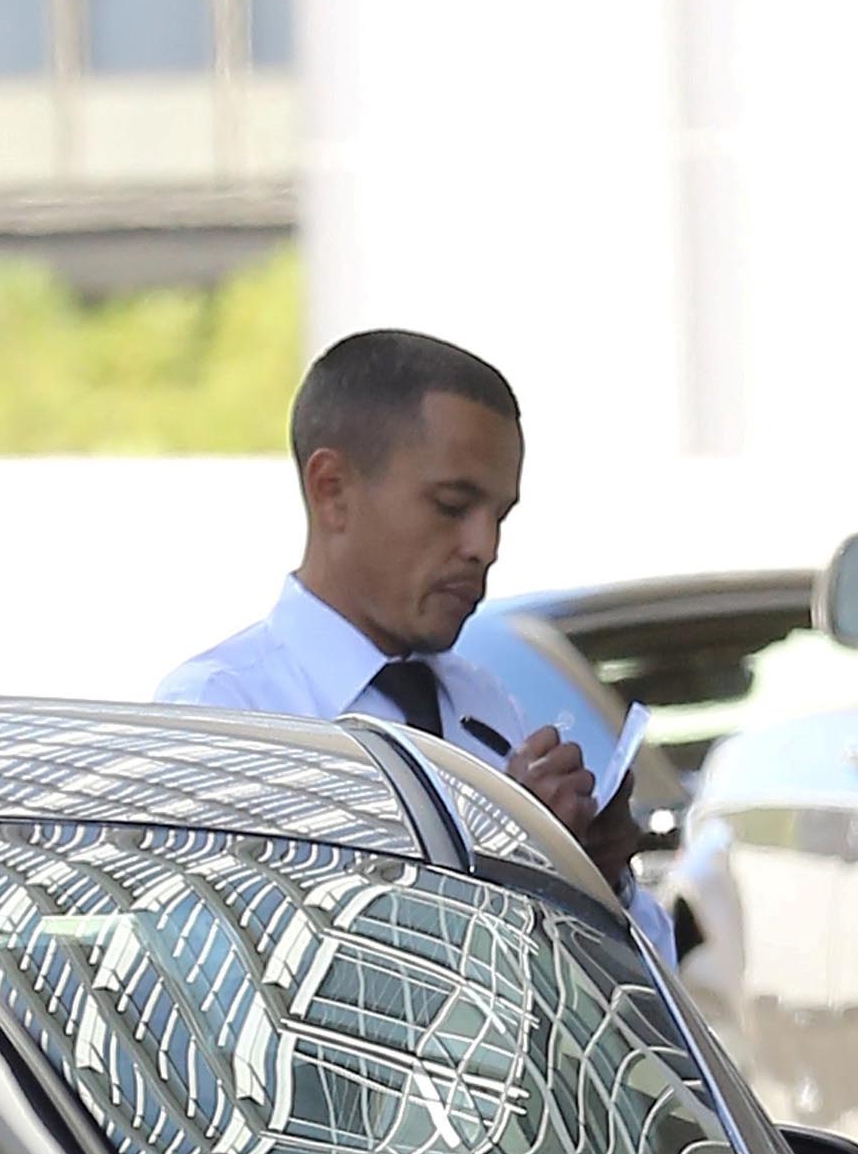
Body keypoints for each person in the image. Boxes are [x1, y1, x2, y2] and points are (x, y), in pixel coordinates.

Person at [155, 327, 673, 960]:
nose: (484, 546)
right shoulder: (228, 714)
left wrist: (600, 876)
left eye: (499, 517)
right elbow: (243, 980)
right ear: (333, 491)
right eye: (452, 506)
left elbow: (639, 991)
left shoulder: (482, 703)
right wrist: (505, 858)